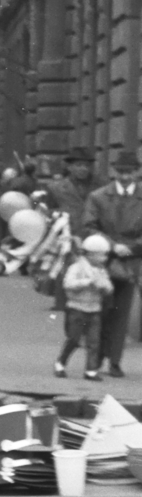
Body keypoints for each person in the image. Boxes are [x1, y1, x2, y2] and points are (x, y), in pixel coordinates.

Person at [81, 149, 142, 376]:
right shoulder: (98, 196)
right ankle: (95, 358)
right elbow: (88, 226)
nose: (125, 177)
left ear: (137, 172)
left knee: (122, 312)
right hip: (102, 260)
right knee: (99, 310)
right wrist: (110, 244)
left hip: (132, 261)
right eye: (121, 172)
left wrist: (133, 246)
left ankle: (115, 360)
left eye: (130, 172)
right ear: (114, 171)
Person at [56, 233, 114, 381]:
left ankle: (91, 370)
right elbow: (68, 284)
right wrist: (87, 282)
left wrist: (103, 287)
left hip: (94, 309)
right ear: (90, 255)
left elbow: (109, 287)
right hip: (77, 307)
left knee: (94, 342)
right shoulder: (76, 267)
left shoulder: (101, 270)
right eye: (101, 256)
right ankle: (61, 363)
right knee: (74, 339)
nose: (104, 259)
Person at [48, 147, 96, 219]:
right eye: (79, 165)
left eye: (87, 165)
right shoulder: (55, 188)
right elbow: (48, 212)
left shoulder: (99, 187)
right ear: (69, 167)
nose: (84, 169)